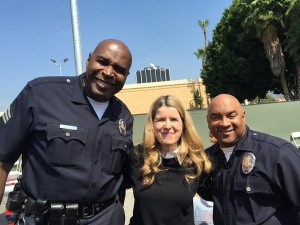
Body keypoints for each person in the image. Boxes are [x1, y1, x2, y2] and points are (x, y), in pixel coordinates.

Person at [0, 39, 134, 225]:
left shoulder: (124, 117)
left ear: (126, 76)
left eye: (119, 70)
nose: (109, 72)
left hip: (106, 219)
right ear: (89, 60)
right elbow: (2, 160)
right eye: (102, 62)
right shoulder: (40, 94)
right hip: (45, 219)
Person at [200, 93, 300, 225]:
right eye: (216, 117)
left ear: (243, 116)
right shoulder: (205, 160)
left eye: (231, 115)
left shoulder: (277, 153)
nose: (224, 123)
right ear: (208, 120)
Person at [128, 95, 211, 225]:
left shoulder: (197, 161)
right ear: (152, 124)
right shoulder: (137, 157)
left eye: (173, 119)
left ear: (183, 124)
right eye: (160, 119)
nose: (167, 125)